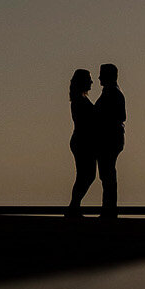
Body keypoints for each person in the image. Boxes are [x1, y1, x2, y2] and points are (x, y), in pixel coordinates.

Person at [91, 63, 126, 218]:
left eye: (101, 74)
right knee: (107, 174)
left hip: (109, 140)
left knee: (107, 174)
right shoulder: (112, 92)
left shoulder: (111, 93)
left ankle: (109, 209)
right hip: (111, 139)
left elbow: (120, 115)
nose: (99, 78)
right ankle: (109, 208)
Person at [65, 68, 97, 218]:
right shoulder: (80, 100)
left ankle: (74, 206)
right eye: (89, 79)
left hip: (82, 141)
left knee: (85, 175)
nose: (91, 82)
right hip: (82, 141)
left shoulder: (80, 98)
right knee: (86, 175)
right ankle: (74, 207)